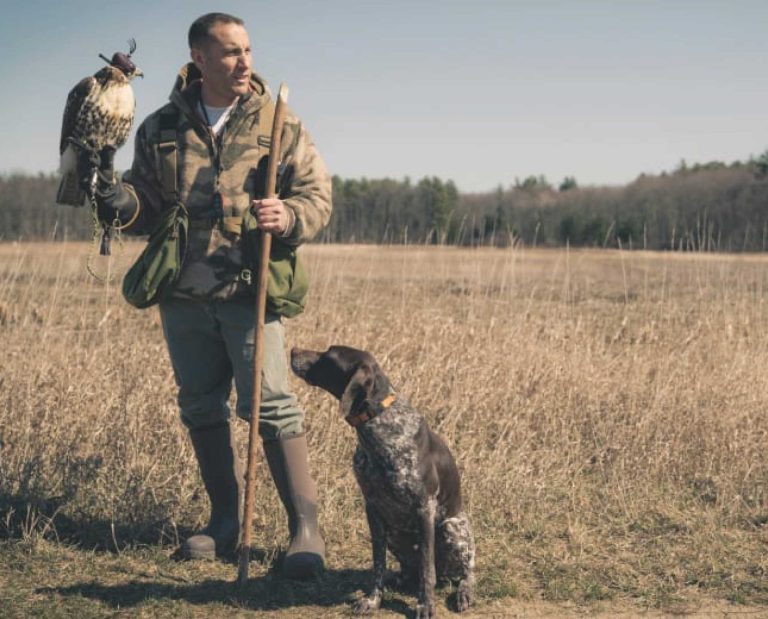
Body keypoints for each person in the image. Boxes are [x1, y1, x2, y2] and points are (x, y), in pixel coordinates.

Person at [77, 12, 332, 578]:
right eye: (231, 52)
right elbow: (146, 205)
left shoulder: (277, 121)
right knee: (199, 405)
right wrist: (121, 203)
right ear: (199, 58)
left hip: (250, 288)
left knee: (270, 404)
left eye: (248, 50)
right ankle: (223, 523)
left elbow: (317, 196)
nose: (245, 62)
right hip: (183, 292)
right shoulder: (161, 127)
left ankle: (305, 532)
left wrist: (288, 215)